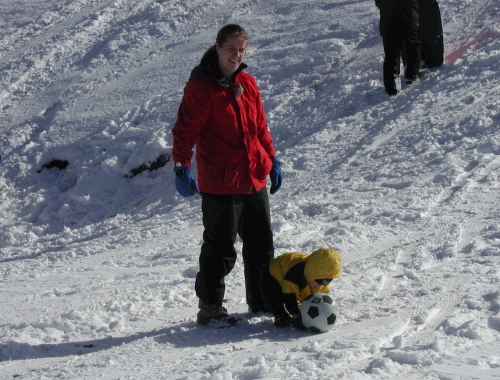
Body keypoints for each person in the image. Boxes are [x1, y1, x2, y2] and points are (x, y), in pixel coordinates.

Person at [171, 24, 282, 326]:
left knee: (261, 244)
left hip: (254, 175)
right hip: (221, 182)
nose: (236, 55)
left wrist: (272, 158)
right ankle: (210, 307)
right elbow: (184, 130)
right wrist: (181, 166)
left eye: (241, 50)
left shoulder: (247, 83)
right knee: (220, 249)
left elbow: (260, 127)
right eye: (231, 48)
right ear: (218, 47)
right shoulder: (202, 88)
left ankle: (261, 300)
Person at [262, 248, 342, 329]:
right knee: (273, 295)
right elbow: (290, 297)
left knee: (306, 293)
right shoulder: (295, 274)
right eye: (318, 281)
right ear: (311, 273)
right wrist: (298, 316)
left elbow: (321, 298)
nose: (320, 285)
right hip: (273, 274)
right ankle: (280, 316)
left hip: (302, 278)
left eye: (326, 282)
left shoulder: (320, 281)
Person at [375, 0, 422, 96]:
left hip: (388, 15)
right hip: (408, 13)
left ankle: (391, 86)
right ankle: (412, 73)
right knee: (412, 44)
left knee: (391, 51)